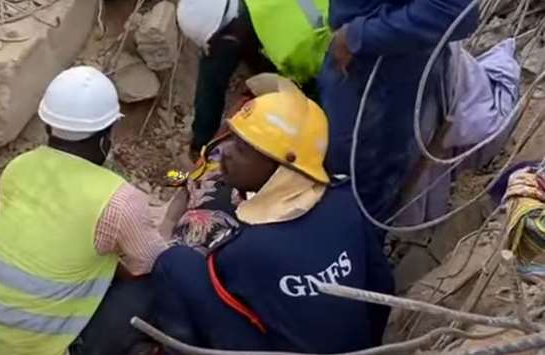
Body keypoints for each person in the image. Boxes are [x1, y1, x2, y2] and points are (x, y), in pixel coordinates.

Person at [151, 81, 394, 352]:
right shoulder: (345, 200)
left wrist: (177, 201)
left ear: (282, 167)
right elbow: (381, 286)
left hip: (215, 227)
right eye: (232, 136)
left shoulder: (243, 251)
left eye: (243, 148)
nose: (226, 152)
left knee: (173, 262)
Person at [0, 66, 168, 355]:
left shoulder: (19, 167)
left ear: (46, 125)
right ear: (108, 135)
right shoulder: (118, 200)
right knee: (153, 288)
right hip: (34, 349)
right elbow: (154, 263)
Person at [318, 0, 479, 225]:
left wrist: (358, 36)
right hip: (355, 70)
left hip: (381, 85)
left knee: (360, 192)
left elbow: (456, 13)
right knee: (338, 178)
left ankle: (365, 250)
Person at [177, 0, 333, 158]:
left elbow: (318, 89)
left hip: (333, 54)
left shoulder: (291, 48)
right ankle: (202, 144)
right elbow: (212, 76)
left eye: (217, 43)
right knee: (216, 63)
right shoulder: (241, 16)